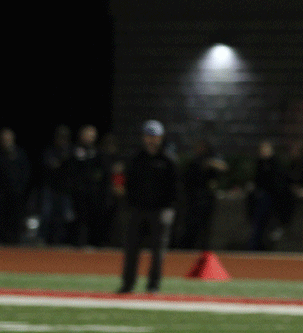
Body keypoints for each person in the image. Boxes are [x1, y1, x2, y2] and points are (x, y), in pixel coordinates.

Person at [116, 120, 179, 294]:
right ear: (143, 137)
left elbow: (175, 188)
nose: (152, 140)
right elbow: (125, 182)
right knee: (131, 249)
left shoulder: (168, 160)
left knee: (158, 251)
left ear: (161, 138)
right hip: (137, 209)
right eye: (149, 136)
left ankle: (153, 285)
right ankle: (128, 284)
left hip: (160, 210)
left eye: (155, 136)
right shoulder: (135, 158)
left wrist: (170, 209)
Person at [178, 138, 228, 250]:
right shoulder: (194, 161)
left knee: (206, 228)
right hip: (194, 199)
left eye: (201, 147)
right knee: (191, 226)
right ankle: (188, 247)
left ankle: (203, 249)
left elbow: (223, 167)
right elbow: (186, 179)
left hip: (207, 198)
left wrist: (210, 163)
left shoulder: (212, 158)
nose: (199, 149)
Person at [67, 125, 107, 247]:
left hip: (93, 192)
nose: (90, 138)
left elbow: (101, 171)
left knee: (93, 218)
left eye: (92, 136)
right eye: (88, 135)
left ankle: (93, 242)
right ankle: (78, 242)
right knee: (78, 218)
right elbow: (71, 170)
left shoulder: (97, 152)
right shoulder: (74, 150)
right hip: (78, 192)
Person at [0, 127, 31, 244]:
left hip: (17, 192)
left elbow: (26, 172)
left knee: (16, 217)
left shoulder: (20, 153)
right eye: (3, 138)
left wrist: (21, 187)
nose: (6, 140)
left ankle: (15, 240)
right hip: (2, 193)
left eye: (8, 138)